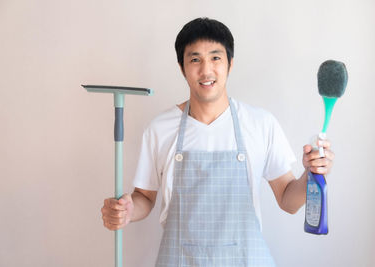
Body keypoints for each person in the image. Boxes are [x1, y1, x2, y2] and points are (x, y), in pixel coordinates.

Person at [101, 17, 334, 266]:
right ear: (182, 67)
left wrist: (311, 174)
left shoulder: (260, 123)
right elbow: (144, 198)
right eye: (195, 59)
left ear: (230, 64)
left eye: (215, 58)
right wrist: (126, 210)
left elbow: (289, 200)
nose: (206, 70)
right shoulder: (160, 128)